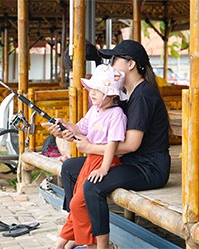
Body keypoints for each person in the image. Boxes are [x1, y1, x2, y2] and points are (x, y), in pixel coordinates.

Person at [46, 39, 171, 249]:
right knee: (69, 168)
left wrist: (90, 148)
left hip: (148, 168)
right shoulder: (123, 94)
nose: (110, 64)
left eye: (114, 60)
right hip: (127, 161)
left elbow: (131, 144)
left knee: (93, 187)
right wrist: (67, 128)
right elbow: (94, 127)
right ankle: (78, 228)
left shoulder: (143, 95)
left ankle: (99, 245)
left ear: (130, 64)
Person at [43, 64, 127, 249]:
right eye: (92, 90)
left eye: (98, 90)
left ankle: (90, 244)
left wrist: (104, 168)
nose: (92, 94)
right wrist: (64, 124)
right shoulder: (94, 111)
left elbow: (113, 144)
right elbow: (81, 128)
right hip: (90, 160)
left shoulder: (117, 115)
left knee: (79, 203)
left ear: (111, 94)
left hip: (104, 160)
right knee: (76, 202)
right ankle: (72, 242)